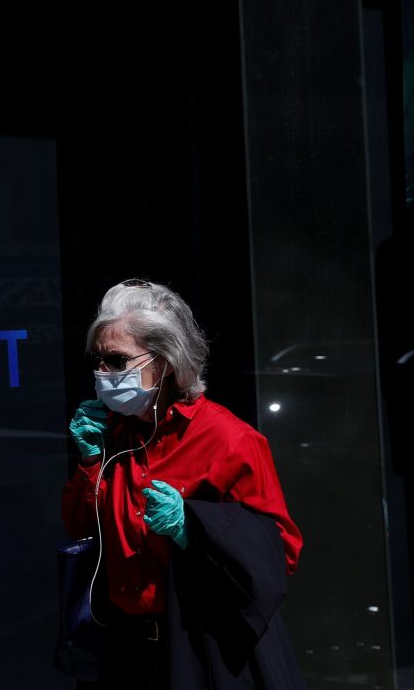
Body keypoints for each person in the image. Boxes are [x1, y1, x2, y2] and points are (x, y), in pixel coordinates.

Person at [61, 279, 305, 688]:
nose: (102, 372)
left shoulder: (230, 440)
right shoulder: (115, 434)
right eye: (97, 359)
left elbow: (279, 555)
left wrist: (194, 529)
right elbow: (81, 528)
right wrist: (90, 461)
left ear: (166, 361)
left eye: (117, 361)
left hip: (200, 649)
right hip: (120, 650)